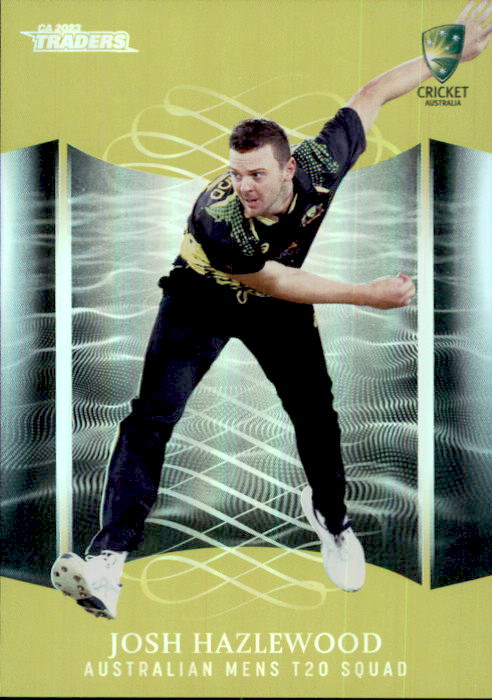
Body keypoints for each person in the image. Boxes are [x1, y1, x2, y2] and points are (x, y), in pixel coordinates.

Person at [51, 1, 492, 618]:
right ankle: (107, 561)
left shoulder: (320, 164)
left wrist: (447, 53)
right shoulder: (219, 216)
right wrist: (367, 294)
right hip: (202, 297)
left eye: (257, 174)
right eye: (236, 174)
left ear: (289, 168)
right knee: (150, 418)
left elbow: (373, 93)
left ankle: (332, 519)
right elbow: (275, 281)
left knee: (316, 414)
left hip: (275, 306)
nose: (244, 187)